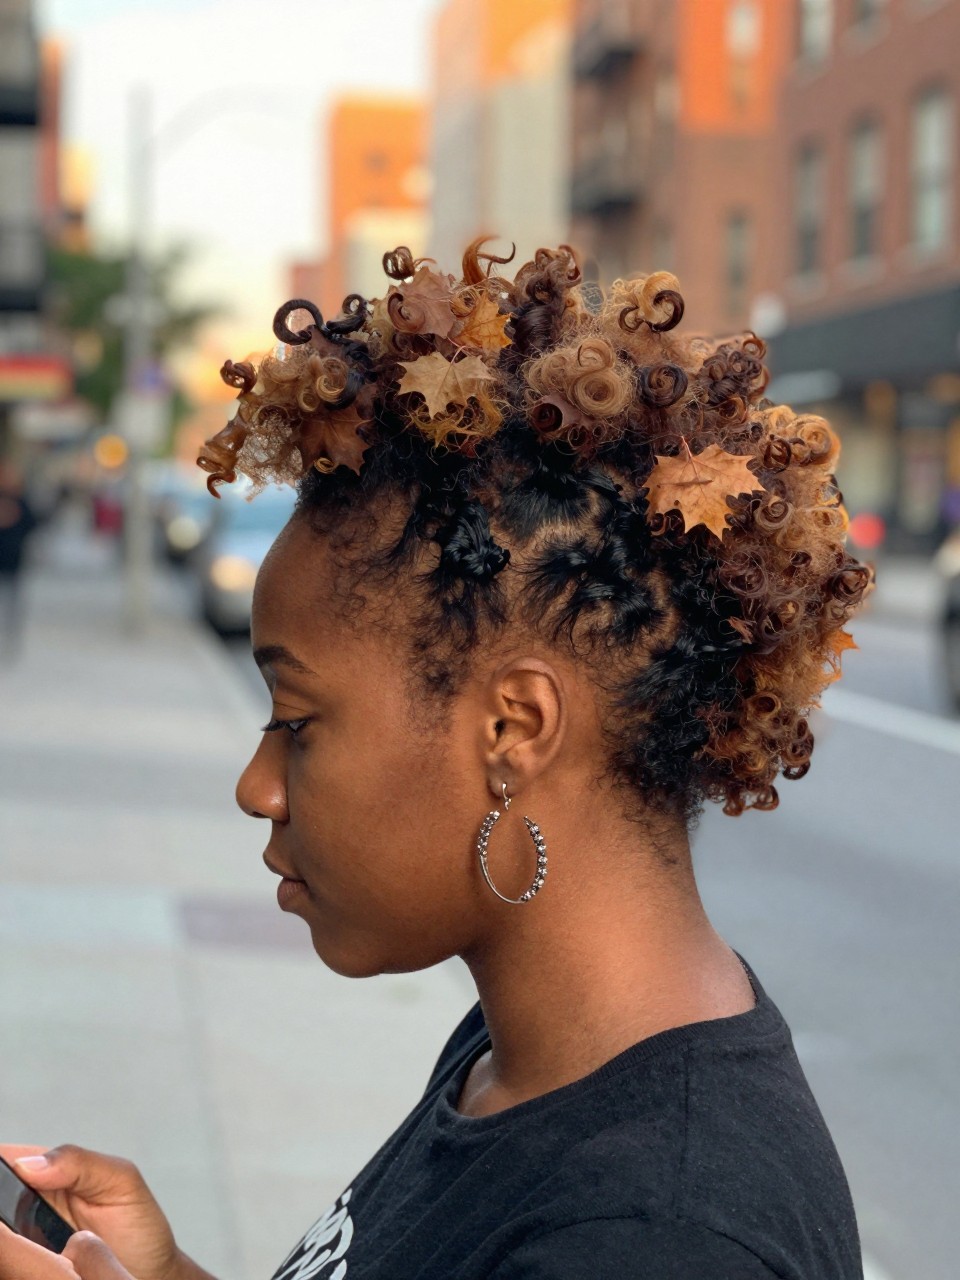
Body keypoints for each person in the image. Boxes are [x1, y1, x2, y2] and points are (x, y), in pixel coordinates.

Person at [0, 241, 872, 1279]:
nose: (256, 786)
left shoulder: (658, 1236)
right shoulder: (523, 1057)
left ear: (515, 726)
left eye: (297, 718)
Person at [0, 459, 38, 659]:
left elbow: (33, 523)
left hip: (14, 559)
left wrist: (14, 518)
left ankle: (10, 640)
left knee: (13, 605)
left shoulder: (21, 499)